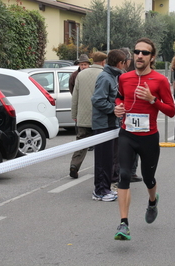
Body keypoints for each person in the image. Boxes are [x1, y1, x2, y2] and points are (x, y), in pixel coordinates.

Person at [113, 38, 175, 240]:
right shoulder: (125, 78)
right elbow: (119, 96)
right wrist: (118, 107)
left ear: (152, 57)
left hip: (148, 137)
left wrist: (152, 100)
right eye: (137, 51)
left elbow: (171, 111)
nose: (140, 55)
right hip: (127, 134)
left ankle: (152, 201)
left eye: (145, 53)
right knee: (123, 175)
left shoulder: (160, 80)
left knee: (148, 178)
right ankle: (124, 224)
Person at [91, 49, 126, 202]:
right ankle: (100, 191)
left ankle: (104, 188)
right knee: (103, 159)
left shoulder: (113, 77)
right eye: (125, 62)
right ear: (120, 63)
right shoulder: (106, 77)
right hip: (103, 124)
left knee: (108, 159)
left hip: (110, 123)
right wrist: (114, 109)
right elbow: (97, 100)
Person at [69, 52, 107, 179]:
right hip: (100, 117)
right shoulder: (105, 74)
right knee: (102, 146)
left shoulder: (80, 75)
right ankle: (102, 171)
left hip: (83, 116)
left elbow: (75, 97)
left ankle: (74, 165)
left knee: (81, 143)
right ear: (103, 62)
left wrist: (74, 114)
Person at [119, 47, 142, 183]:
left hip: (136, 117)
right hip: (128, 116)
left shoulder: (132, 72)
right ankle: (129, 172)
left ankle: (129, 171)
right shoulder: (123, 76)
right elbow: (118, 95)